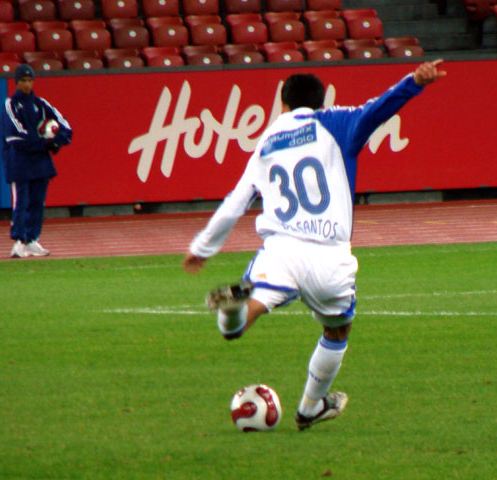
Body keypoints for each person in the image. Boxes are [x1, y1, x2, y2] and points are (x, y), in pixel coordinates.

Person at [183, 60, 446, 430]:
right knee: (337, 330)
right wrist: (414, 82)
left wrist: (203, 247)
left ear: (283, 104)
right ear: (321, 103)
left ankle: (232, 310)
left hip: (281, 250)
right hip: (329, 255)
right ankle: (309, 407)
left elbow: (236, 202)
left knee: (236, 327)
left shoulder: (267, 142)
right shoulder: (336, 123)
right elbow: (378, 109)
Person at [2, 64, 72, 258]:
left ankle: (32, 239)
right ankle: (19, 241)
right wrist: (44, 144)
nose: (27, 84)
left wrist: (56, 141)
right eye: (23, 80)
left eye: (29, 80)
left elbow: (65, 125)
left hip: (40, 162)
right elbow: (15, 136)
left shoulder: (40, 104)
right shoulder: (10, 105)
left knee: (38, 202)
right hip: (19, 162)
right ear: (17, 82)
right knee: (21, 202)